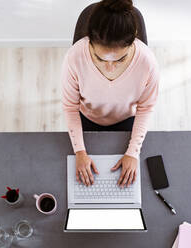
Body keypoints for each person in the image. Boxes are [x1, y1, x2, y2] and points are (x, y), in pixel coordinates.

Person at [61, 0, 160, 188]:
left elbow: (146, 107)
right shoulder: (74, 58)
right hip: (86, 116)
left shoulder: (148, 62)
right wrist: (80, 152)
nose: (110, 67)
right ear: (89, 40)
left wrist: (133, 153)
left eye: (120, 59)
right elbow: (70, 107)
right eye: (100, 58)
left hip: (127, 118)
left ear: (133, 42)